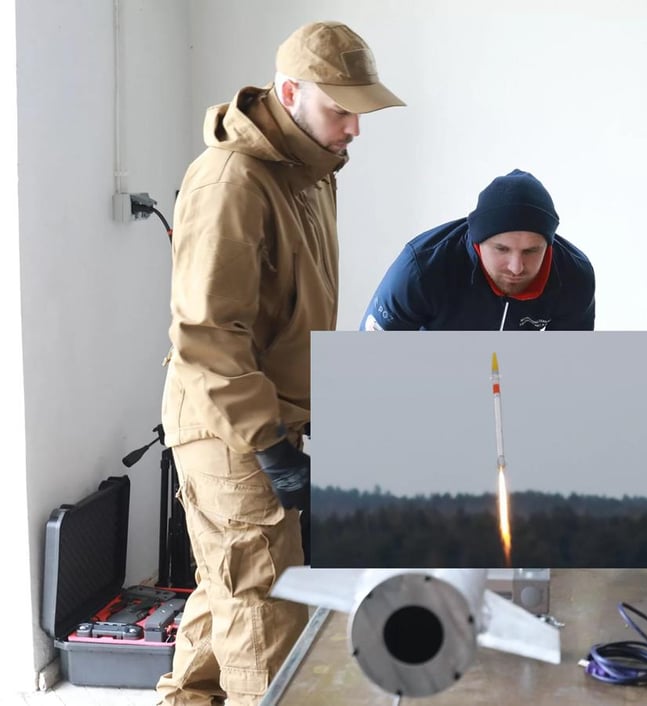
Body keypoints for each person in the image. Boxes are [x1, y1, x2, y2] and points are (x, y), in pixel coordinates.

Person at [157, 21, 403, 706]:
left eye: (361, 109)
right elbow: (207, 332)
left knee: (225, 588)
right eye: (341, 108)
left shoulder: (310, 173)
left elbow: (290, 313)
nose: (355, 126)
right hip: (229, 426)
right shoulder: (232, 180)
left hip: (267, 417)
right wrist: (269, 445)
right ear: (290, 92)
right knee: (265, 610)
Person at [362, 169, 595, 331]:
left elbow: (567, 367)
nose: (516, 267)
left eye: (531, 251)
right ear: (477, 241)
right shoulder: (420, 268)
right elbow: (371, 358)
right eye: (501, 249)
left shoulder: (574, 275)